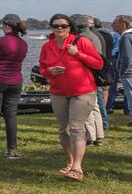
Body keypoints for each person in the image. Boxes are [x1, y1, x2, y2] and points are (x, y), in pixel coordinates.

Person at [38, 13, 103, 180]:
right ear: (51, 28)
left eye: (63, 26)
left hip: (83, 91)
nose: (59, 29)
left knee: (76, 127)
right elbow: (42, 70)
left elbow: (98, 63)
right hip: (58, 92)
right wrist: (50, 72)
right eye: (56, 26)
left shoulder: (80, 42)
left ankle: (77, 167)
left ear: (70, 27)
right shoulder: (47, 46)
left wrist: (77, 54)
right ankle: (70, 162)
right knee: (63, 129)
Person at [0, 14, 29, 159]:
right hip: (15, 81)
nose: (2, 28)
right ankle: (11, 150)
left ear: (7, 26)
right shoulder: (23, 44)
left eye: (3, 26)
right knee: (11, 116)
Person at [73, 14, 109, 143]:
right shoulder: (95, 35)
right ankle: (99, 135)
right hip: (96, 73)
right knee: (95, 106)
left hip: (87, 75)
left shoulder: (83, 38)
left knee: (86, 106)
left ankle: (90, 136)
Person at [113, 14, 132, 131]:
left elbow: (127, 58)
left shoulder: (126, 37)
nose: (112, 25)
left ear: (123, 24)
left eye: (115, 22)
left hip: (129, 74)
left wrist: (121, 71)